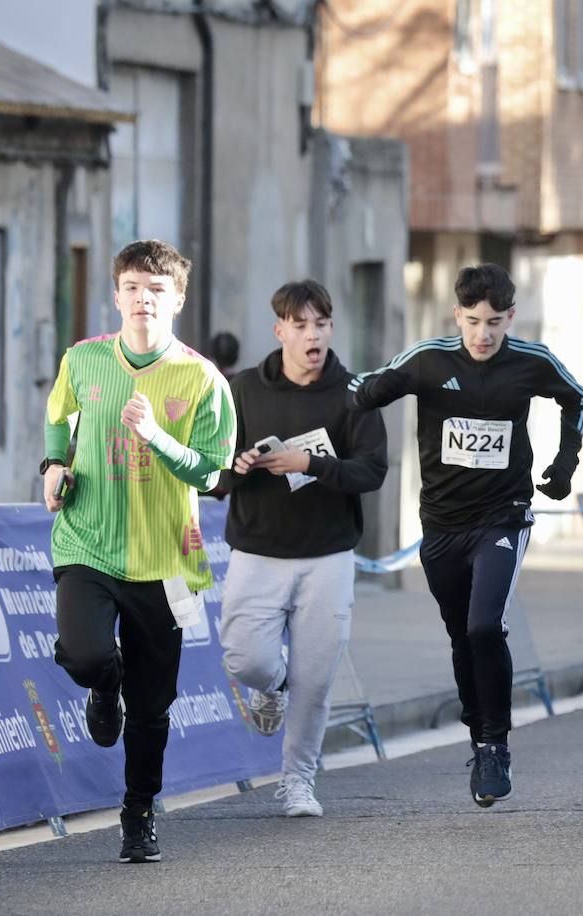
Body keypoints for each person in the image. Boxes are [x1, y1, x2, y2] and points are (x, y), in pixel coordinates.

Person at [350, 263, 583, 808]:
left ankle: (495, 745)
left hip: (502, 516)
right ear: (457, 314)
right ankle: (477, 736)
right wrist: (360, 394)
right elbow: (365, 392)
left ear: (510, 318)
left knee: (485, 626)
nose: (484, 335)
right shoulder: (429, 359)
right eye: (474, 321)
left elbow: (575, 396)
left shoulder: (531, 362)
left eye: (496, 323)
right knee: (461, 636)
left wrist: (565, 462)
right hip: (441, 524)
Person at [42, 239, 236, 863]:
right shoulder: (84, 360)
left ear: (177, 300)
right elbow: (57, 417)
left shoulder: (201, 378)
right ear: (116, 294)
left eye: (156, 290)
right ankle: (105, 682)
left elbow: (212, 473)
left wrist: (154, 436)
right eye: (132, 287)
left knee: (153, 709)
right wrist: (52, 464)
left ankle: (139, 812)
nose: (142, 299)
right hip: (87, 539)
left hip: (165, 558)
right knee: (85, 653)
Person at [217, 280, 388, 817]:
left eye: (321, 324)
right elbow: (212, 475)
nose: (313, 335)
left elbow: (373, 470)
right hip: (257, 551)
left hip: (328, 556)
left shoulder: (356, 391)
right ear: (280, 331)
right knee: (245, 660)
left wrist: (310, 464)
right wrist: (238, 468)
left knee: (315, 680)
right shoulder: (245, 389)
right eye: (301, 325)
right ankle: (271, 686)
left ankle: (297, 782)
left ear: (331, 329)